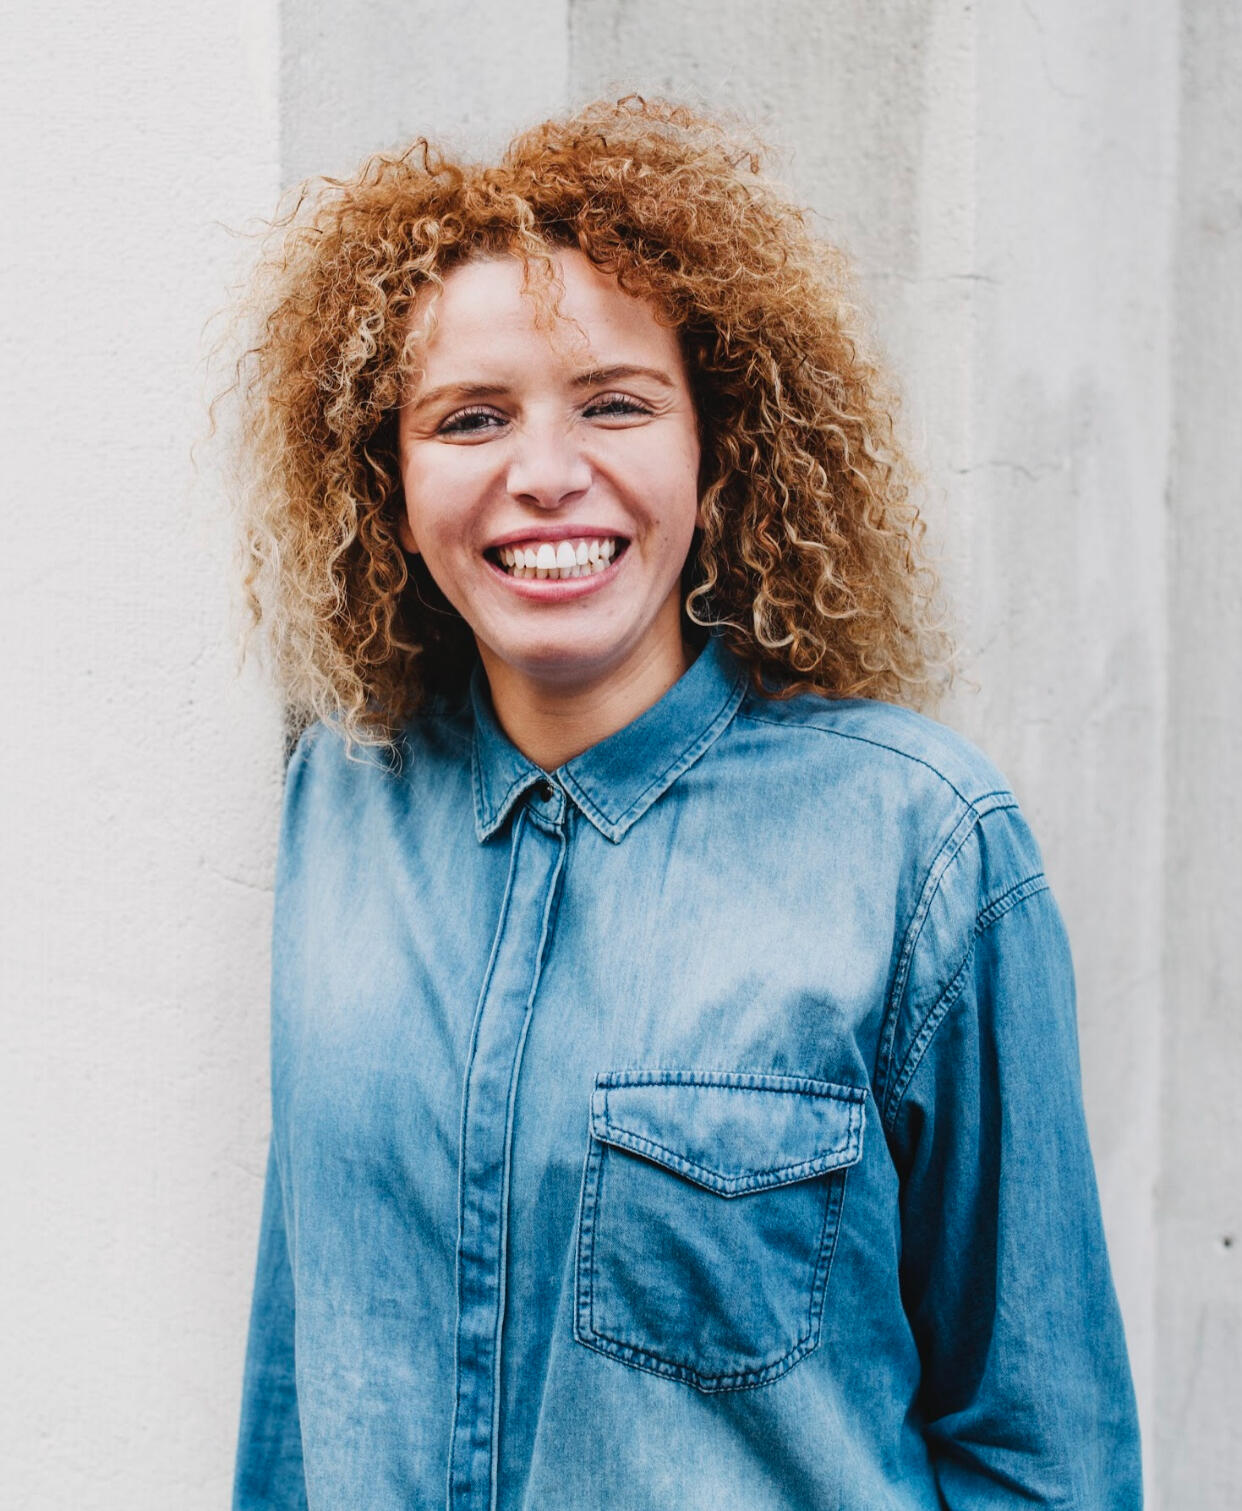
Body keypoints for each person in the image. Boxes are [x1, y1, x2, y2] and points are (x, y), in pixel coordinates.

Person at [228, 97, 1141, 1510]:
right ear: (389, 486)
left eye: (615, 403)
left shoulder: (917, 845)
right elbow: (302, 1372)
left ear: (716, 455)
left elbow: (1044, 1452)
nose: (545, 474)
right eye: (470, 418)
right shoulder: (340, 803)